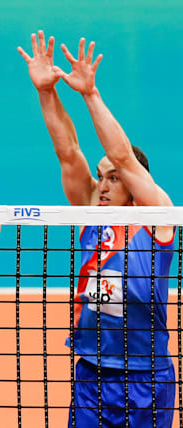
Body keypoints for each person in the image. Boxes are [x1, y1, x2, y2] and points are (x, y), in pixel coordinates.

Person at [19, 31, 175, 427]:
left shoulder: (158, 217)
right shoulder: (92, 211)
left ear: (137, 185)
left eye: (115, 179)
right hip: (92, 372)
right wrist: (46, 93)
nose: (102, 186)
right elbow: (68, 150)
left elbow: (122, 154)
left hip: (146, 375)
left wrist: (90, 95)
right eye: (100, 177)